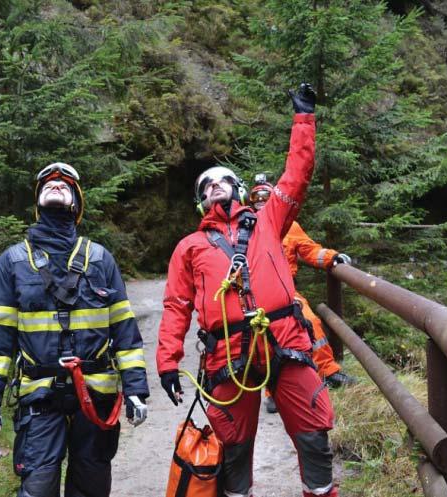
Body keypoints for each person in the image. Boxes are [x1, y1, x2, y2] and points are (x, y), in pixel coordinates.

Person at [157, 84, 339, 497]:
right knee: (234, 452)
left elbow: (297, 173)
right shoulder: (190, 247)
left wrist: (304, 117)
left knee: (314, 438)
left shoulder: (270, 219)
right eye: (206, 187)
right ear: (201, 203)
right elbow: (176, 306)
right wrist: (168, 362)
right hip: (227, 355)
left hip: (286, 342)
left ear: (238, 191)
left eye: (222, 181)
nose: (213, 187)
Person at [0, 163, 149, 497]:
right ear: (37, 202)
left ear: (76, 204)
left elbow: (125, 332)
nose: (55, 185)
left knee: (92, 487)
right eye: (48, 185)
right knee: (37, 487)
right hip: (40, 397)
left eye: (64, 185)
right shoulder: (12, 262)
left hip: (95, 397)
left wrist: (136, 389)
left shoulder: (100, 259)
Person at [249, 177, 356, 414]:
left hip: (287, 290)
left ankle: (329, 372)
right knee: (264, 338)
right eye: (256, 198)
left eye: (266, 198)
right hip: (255, 294)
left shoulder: (290, 226)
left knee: (311, 322)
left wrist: (332, 258)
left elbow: (310, 250)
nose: (261, 203)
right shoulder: (246, 226)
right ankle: (272, 391)